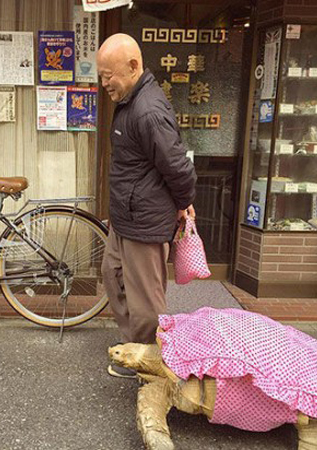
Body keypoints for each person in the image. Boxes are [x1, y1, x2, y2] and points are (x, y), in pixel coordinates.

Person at [97, 33, 197, 379]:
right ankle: (134, 349)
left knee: (146, 302)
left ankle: (153, 367)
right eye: (101, 74)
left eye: (109, 74)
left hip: (145, 221)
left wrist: (184, 203)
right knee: (113, 278)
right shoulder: (130, 102)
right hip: (127, 217)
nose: (104, 82)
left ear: (133, 66)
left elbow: (177, 165)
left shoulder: (148, 110)